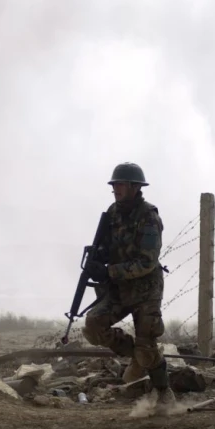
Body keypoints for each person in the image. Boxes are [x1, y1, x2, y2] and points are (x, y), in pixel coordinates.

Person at [81, 162, 175, 409]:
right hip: (119, 288)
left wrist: (109, 271)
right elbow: (107, 246)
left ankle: (164, 391)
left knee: (148, 348)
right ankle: (135, 355)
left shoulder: (149, 217)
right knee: (93, 326)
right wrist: (97, 258)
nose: (115, 189)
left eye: (120, 184)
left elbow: (146, 262)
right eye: (114, 185)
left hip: (145, 290)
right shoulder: (112, 213)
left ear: (135, 187)